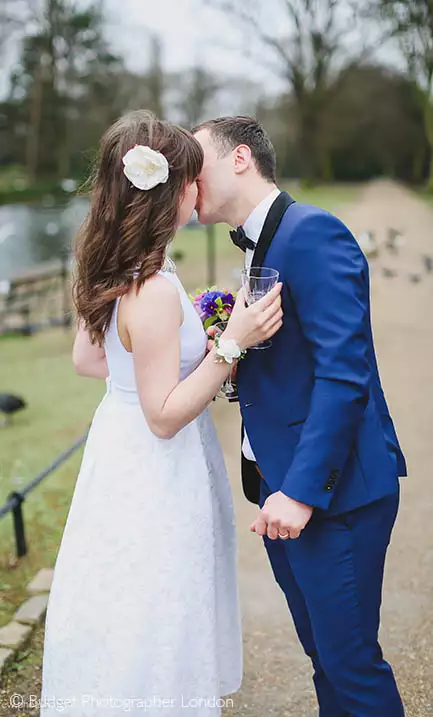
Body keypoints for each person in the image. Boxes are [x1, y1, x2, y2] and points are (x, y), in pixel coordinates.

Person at [40, 110, 283, 717]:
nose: (200, 191)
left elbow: (90, 362)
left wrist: (169, 355)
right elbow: (164, 416)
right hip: (155, 466)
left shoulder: (115, 264)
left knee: (126, 599)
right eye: (193, 180)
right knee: (156, 599)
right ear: (172, 191)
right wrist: (232, 343)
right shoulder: (149, 287)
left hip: (117, 454)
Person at [193, 115, 407, 717]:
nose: (187, 176)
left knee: (352, 667)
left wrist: (302, 493)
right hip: (279, 490)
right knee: (326, 661)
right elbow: (298, 362)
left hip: (330, 498)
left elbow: (346, 374)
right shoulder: (262, 241)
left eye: (196, 160)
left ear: (240, 158)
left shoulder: (313, 233)